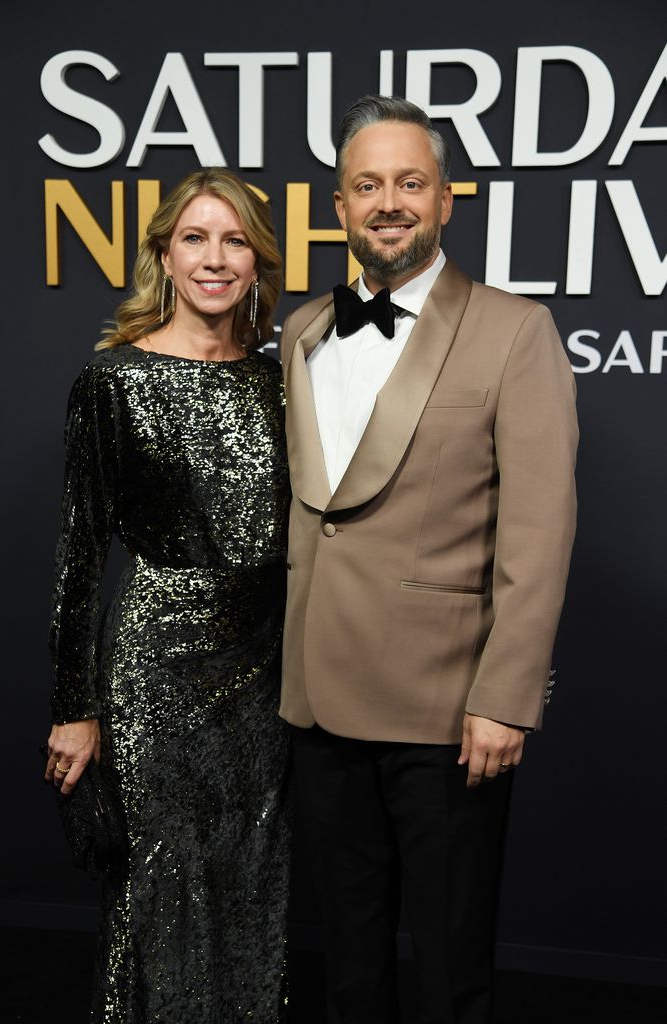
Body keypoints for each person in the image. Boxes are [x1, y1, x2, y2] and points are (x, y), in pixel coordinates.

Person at [279, 96, 578, 1024]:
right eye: (368, 185)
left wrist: (504, 697)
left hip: (447, 712)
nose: (390, 201)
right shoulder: (300, 333)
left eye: (411, 182)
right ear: (339, 208)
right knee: (348, 963)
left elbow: (540, 528)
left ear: (447, 199)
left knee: (452, 970)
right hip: (316, 703)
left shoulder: (515, 330)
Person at [44, 168, 291, 1023]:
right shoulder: (113, 382)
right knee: (163, 880)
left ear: (259, 260)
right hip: (157, 671)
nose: (215, 259)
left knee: (253, 876)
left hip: (266, 676)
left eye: (235, 241)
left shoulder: (280, 384)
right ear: (163, 253)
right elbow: (79, 555)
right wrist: (76, 708)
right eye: (195, 238)